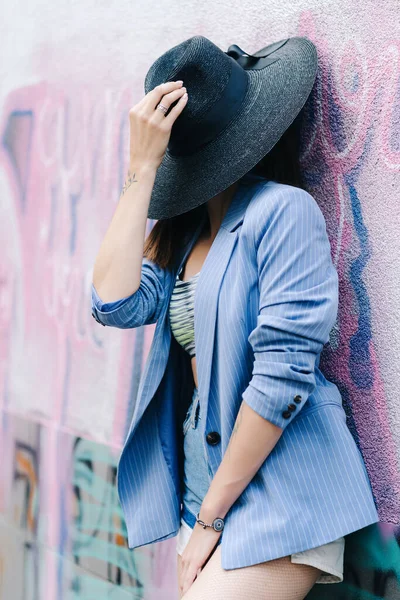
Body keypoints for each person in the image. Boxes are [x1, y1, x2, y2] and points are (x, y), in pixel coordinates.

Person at [91, 36, 379, 599]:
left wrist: (210, 522)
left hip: (278, 492)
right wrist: (140, 169)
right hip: (204, 487)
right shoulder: (185, 233)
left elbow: (281, 380)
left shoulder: (282, 211)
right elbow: (113, 303)